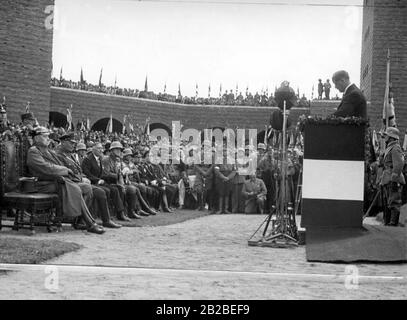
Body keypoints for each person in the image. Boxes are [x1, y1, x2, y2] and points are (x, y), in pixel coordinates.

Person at [26, 127, 105, 234]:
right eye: (45, 136)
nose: (48, 138)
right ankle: (90, 223)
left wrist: (68, 172)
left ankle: (77, 220)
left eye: (48, 136)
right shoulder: (34, 151)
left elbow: (58, 165)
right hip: (41, 183)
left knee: (86, 188)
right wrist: (65, 170)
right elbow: (45, 167)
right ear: (37, 138)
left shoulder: (49, 151)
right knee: (76, 188)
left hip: (54, 181)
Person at [55, 133, 121, 229]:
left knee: (101, 191)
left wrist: (83, 178)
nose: (73, 145)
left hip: (79, 182)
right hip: (69, 183)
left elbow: (79, 171)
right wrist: (82, 179)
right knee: (99, 191)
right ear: (63, 142)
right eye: (71, 143)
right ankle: (82, 221)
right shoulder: (58, 154)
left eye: (74, 143)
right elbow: (64, 172)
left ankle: (102, 220)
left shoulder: (70, 155)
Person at [379, 127, 405, 226]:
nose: (384, 137)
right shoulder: (389, 147)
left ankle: (393, 223)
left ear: (391, 137)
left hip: (394, 179)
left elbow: (398, 165)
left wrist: (394, 180)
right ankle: (388, 222)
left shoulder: (396, 148)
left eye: (386, 135)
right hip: (387, 178)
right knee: (388, 202)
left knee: (394, 201)